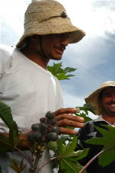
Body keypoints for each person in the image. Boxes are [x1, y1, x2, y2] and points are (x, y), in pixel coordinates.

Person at [0, 0, 86, 172]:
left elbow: (49, 137)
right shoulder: (5, 58)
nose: (65, 42)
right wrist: (27, 140)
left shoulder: (54, 82)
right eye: (58, 34)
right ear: (34, 35)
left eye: (67, 35)